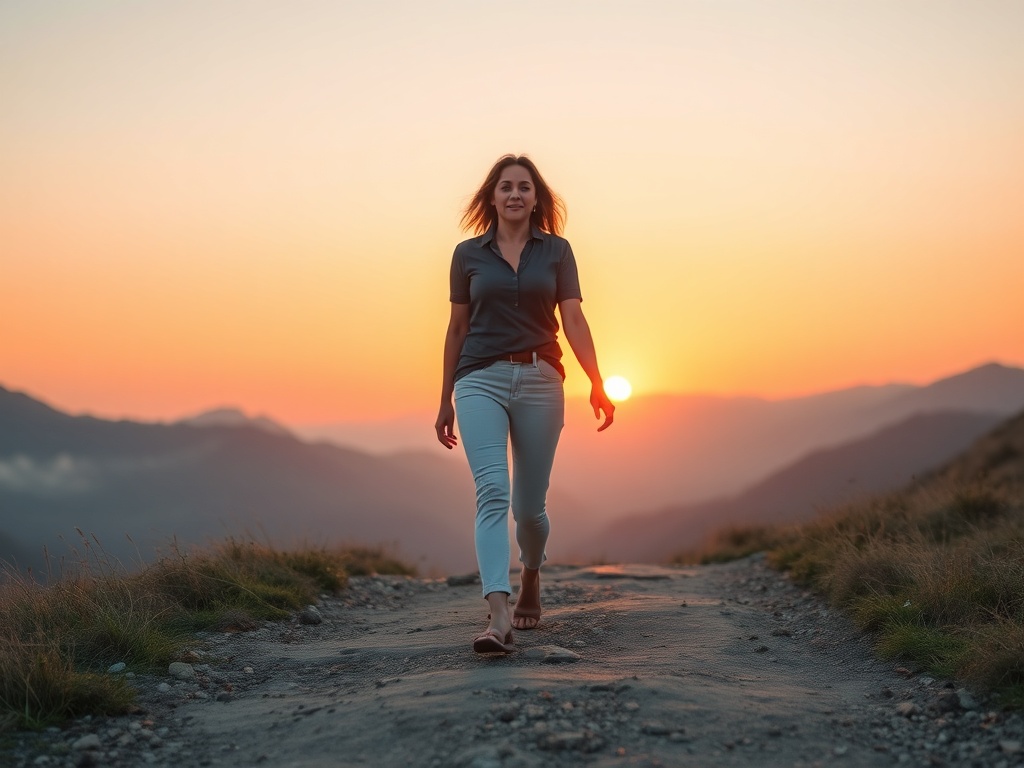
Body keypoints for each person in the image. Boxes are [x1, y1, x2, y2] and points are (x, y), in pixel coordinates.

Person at [434, 154, 615, 654]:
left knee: (529, 510)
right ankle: (498, 615)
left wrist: (597, 381)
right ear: (491, 198)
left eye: (524, 187)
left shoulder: (557, 251)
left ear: (536, 199)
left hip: (541, 379)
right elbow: (457, 328)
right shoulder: (467, 254)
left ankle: (532, 573)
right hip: (479, 379)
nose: (515, 194)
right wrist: (445, 396)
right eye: (506, 187)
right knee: (492, 491)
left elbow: (573, 319)